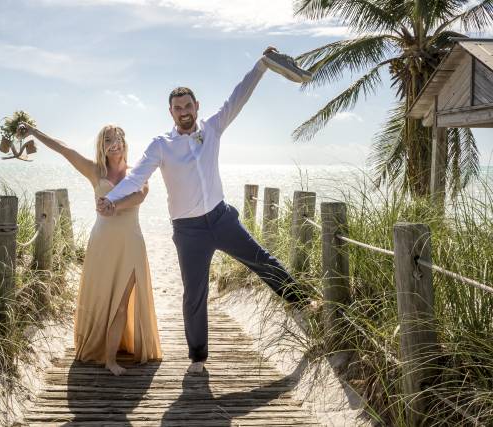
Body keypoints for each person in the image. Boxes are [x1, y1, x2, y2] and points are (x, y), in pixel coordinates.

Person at [96, 46, 314, 374]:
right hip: (188, 231)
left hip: (221, 217)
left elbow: (237, 98)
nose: (183, 111)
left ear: (196, 107)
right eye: (177, 108)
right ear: (170, 112)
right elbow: (138, 175)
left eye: (188, 106)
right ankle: (198, 357)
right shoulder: (161, 145)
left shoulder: (212, 128)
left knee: (261, 259)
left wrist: (261, 66)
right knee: (194, 294)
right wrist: (111, 199)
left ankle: (301, 302)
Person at [17, 123, 162, 375]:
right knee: (102, 297)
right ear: (101, 145)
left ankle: (110, 359)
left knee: (121, 302)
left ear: (125, 142)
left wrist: (115, 206)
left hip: (131, 244)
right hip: (102, 244)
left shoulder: (137, 172)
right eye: (108, 139)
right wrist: (33, 131)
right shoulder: (95, 171)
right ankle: (105, 351)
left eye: (118, 138)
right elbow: (64, 149)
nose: (114, 143)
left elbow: (140, 196)